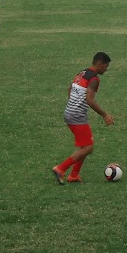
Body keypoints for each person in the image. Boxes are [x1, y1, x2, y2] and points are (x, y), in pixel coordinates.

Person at [52, 52, 114, 185]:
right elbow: (90, 100)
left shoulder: (82, 73)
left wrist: (73, 104)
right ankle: (60, 168)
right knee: (88, 148)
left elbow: (70, 89)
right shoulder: (94, 79)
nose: (106, 69)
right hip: (76, 116)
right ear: (99, 64)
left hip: (69, 112)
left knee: (84, 145)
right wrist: (105, 115)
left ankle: (74, 175)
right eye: (106, 66)